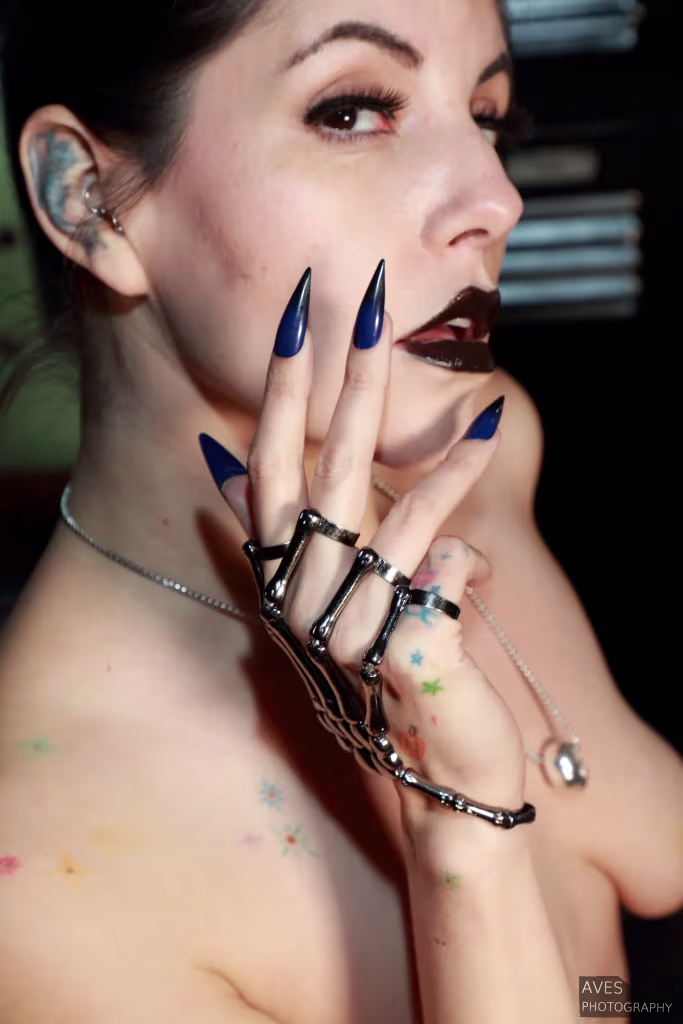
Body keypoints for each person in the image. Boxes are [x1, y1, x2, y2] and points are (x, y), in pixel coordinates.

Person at [0, 0, 681, 1021]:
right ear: (87, 196)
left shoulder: (481, 458)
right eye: (353, 111)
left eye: (486, 115)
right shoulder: (50, 891)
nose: (495, 201)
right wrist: (463, 834)